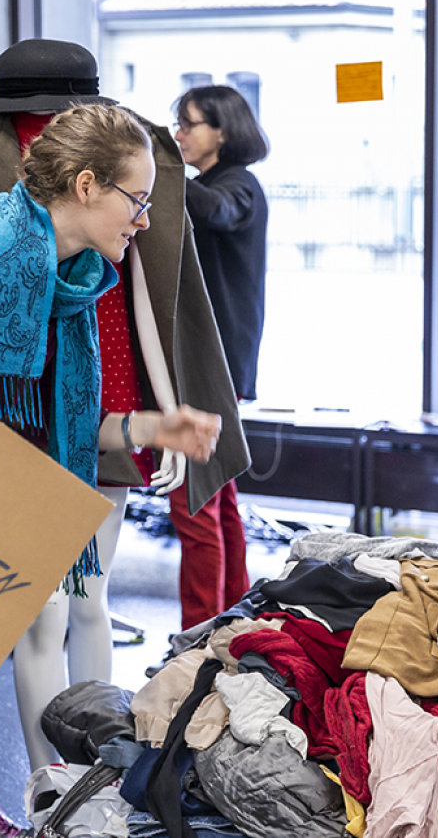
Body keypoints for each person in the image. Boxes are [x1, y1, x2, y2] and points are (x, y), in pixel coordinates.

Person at [0, 104, 222, 838]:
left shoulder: (78, 281)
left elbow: (58, 418)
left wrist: (151, 426)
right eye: (138, 200)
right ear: (87, 186)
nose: (144, 220)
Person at [0, 38, 248, 772]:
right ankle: (46, 783)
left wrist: (163, 408)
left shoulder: (134, 154)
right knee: (41, 613)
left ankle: (89, 774)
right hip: (17, 397)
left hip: (106, 385)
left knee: (88, 597)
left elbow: (156, 290)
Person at [169, 85, 269, 629]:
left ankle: (200, 633)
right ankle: (232, 623)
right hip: (215, 362)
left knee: (195, 502)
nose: (179, 133)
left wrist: (155, 165)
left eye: (189, 124)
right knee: (219, 497)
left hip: (214, 364)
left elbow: (217, 211)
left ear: (222, 132)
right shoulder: (211, 183)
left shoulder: (238, 187)